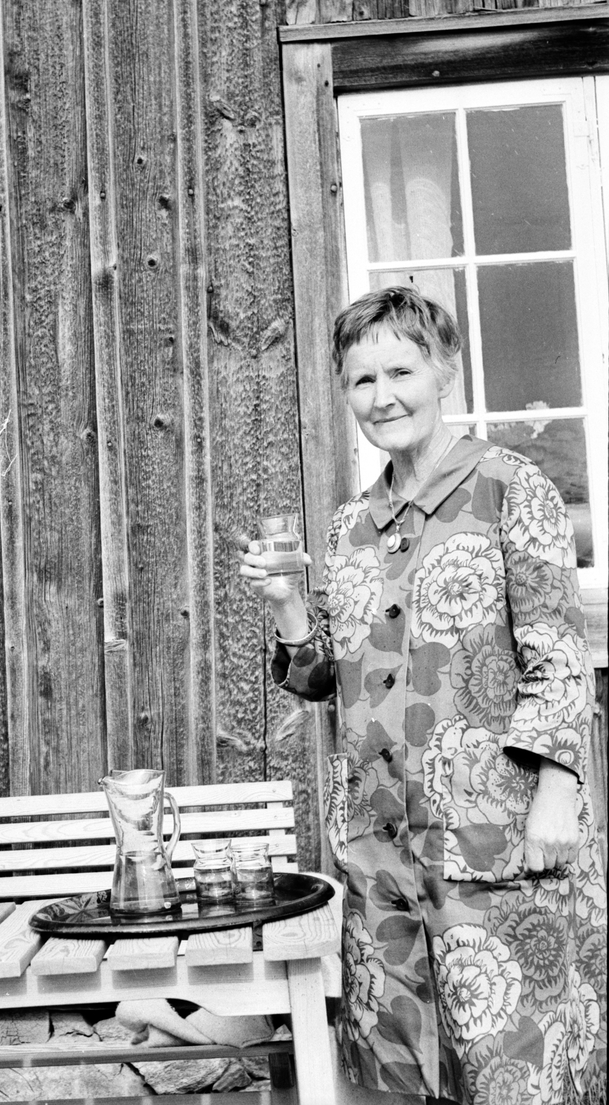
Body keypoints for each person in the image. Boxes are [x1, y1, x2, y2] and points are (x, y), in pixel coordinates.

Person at [238, 286, 605, 1104]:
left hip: (497, 840)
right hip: (381, 852)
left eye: (400, 372)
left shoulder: (511, 487)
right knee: (406, 1074)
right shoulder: (350, 526)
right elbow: (322, 679)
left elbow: (558, 657)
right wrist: (288, 607)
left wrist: (558, 795)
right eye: (362, 380)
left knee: (517, 1064)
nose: (383, 397)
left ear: (444, 372)